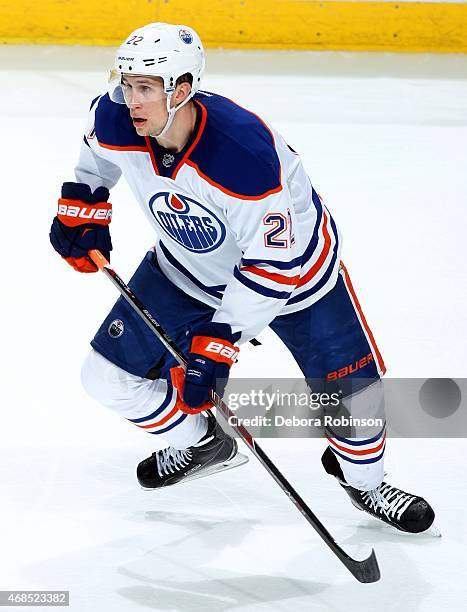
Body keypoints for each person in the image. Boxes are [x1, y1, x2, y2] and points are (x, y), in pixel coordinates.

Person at [50, 22, 434, 533]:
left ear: (181, 90)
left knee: (354, 403)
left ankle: (365, 481)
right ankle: (201, 440)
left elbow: (275, 263)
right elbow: (95, 160)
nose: (130, 99)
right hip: (187, 267)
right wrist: (84, 209)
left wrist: (221, 340)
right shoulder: (115, 116)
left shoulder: (242, 155)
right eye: (127, 83)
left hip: (296, 281)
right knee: (104, 377)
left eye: (145, 88)